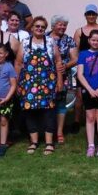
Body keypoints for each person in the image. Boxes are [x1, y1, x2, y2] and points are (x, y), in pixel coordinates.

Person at [17, 16, 63, 156]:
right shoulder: (25, 42)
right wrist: (17, 83)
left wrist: (59, 81)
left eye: (43, 27)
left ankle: (49, 143)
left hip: (47, 83)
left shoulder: (50, 42)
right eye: (37, 26)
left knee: (49, 112)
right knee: (30, 112)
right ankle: (34, 142)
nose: (40, 28)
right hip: (28, 84)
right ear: (32, 28)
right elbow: (18, 63)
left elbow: (58, 62)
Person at [49, 15, 78, 144]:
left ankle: (59, 131)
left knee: (61, 103)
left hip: (63, 75)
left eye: (64, 25)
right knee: (47, 103)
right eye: (60, 24)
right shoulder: (45, 37)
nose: (62, 27)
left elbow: (75, 59)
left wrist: (64, 66)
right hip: (45, 76)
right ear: (53, 25)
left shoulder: (69, 40)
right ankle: (48, 129)